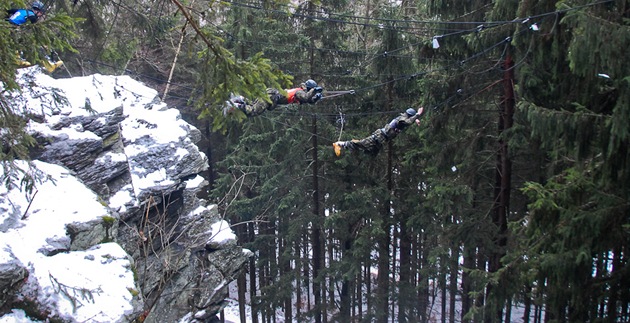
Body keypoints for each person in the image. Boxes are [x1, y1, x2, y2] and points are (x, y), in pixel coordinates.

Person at [332, 107, 424, 156]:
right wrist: (418, 115)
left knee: (370, 152)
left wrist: (415, 119)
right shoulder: (403, 119)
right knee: (360, 144)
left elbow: (407, 122)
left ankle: (352, 145)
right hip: (378, 137)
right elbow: (406, 122)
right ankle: (338, 144)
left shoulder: (403, 118)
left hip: (380, 140)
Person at [223, 79, 324, 117]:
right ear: (308, 88)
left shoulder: (299, 93)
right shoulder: (299, 92)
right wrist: (314, 91)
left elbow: (307, 100)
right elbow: (306, 97)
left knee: (253, 105)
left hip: (271, 95)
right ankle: (235, 105)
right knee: (253, 111)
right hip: (271, 97)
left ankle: (239, 99)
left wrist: (314, 99)